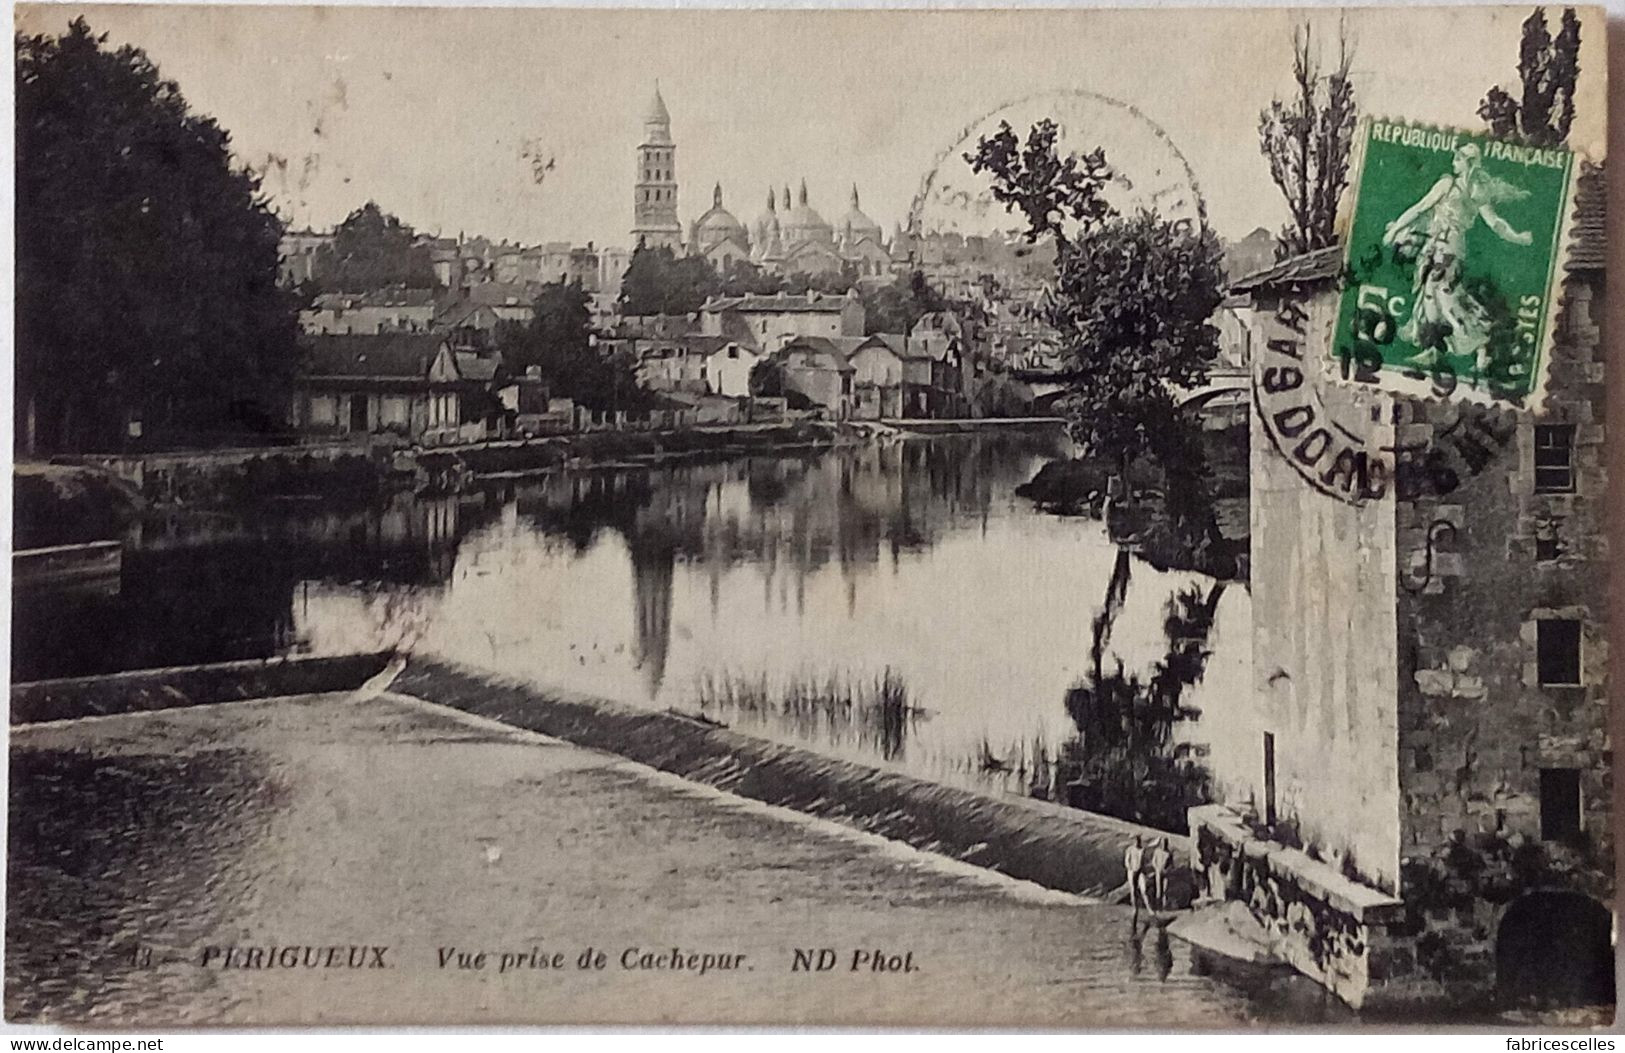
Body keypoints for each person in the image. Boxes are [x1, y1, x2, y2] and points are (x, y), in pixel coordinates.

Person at [1380, 142, 1533, 377]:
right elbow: (1495, 224)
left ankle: (1459, 343)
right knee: (1437, 292)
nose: (1453, 162)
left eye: (1458, 158)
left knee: (1441, 294)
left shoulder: (1455, 186)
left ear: (1468, 164)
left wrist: (1518, 238)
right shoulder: (1474, 192)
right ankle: (1457, 347)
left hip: (1446, 248)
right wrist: (1518, 237)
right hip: (1441, 245)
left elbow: (1421, 207)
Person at [1148, 837, 1172, 910]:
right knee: (1158, 889)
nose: (1163, 845)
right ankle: (1158, 906)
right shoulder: (1157, 851)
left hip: (1165, 873)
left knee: (1165, 889)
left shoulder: (1168, 853)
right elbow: (1153, 861)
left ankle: (1164, 906)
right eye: (1162, 843)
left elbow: (1171, 864)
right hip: (1158, 871)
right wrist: (1156, 868)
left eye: (1165, 843)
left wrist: (1167, 869)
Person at [1123, 835, 1147, 913]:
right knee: (1133, 889)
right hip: (1132, 871)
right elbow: (1127, 861)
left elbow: (1143, 861)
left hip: (1140, 871)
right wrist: (1131, 869)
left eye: (1138, 841)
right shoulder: (1129, 849)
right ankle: (1134, 906)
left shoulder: (1142, 850)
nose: (1137, 843)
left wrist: (1143, 870)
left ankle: (1147, 906)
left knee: (1144, 889)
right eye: (1136, 841)